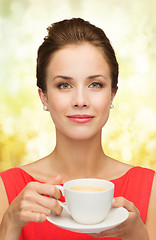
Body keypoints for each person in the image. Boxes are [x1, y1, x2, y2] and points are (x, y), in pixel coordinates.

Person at [0, 18, 155, 240]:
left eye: (95, 84)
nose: (80, 100)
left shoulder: (150, 188)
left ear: (112, 94)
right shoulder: (7, 189)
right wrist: (9, 225)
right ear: (44, 96)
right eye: (64, 85)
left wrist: (138, 235)